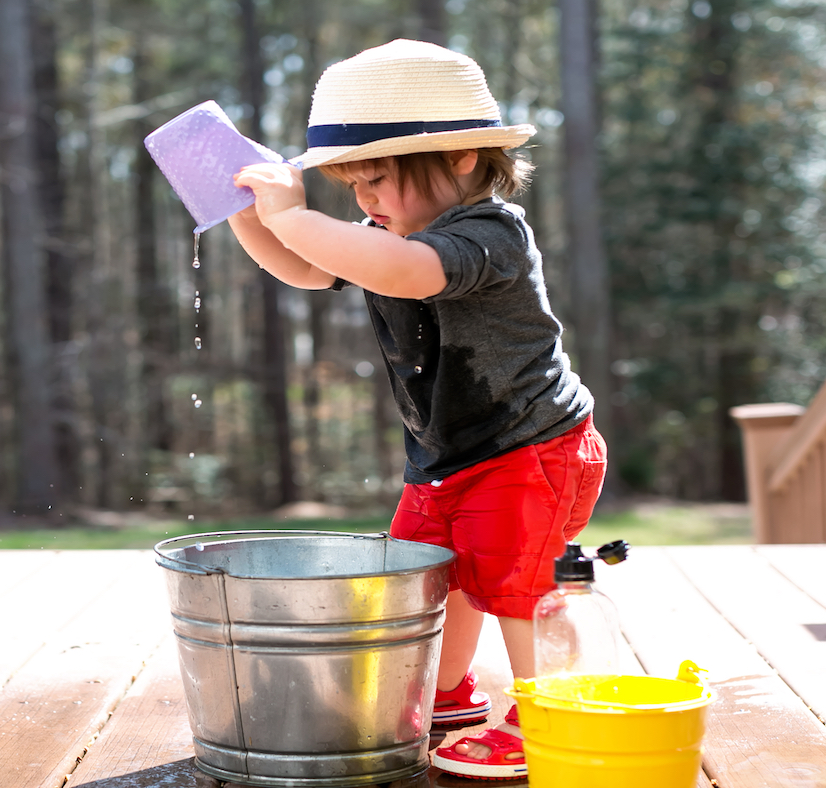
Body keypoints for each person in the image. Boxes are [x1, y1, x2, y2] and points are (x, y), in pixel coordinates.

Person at [227, 39, 607, 781]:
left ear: (462, 159)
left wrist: (296, 217)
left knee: (517, 586)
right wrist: (250, 215)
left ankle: (550, 717)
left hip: (531, 447)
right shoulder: (383, 234)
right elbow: (307, 267)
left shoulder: (489, 235)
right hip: (446, 455)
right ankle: (448, 695)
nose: (365, 202)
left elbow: (407, 276)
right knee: (431, 578)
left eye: (377, 179)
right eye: (352, 187)